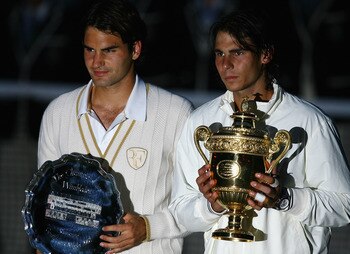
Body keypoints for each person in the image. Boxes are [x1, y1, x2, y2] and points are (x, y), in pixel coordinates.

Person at [169, 8, 350, 254]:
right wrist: (213, 205)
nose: (226, 64)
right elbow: (180, 212)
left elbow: (344, 206)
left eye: (238, 52)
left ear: (265, 54)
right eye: (219, 53)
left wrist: (285, 199)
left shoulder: (310, 121)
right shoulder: (201, 121)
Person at [36, 0, 193, 253]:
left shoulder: (176, 113)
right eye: (89, 50)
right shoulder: (58, 112)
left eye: (109, 50)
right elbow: (47, 203)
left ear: (135, 49)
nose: (96, 61)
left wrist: (149, 227)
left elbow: (200, 205)